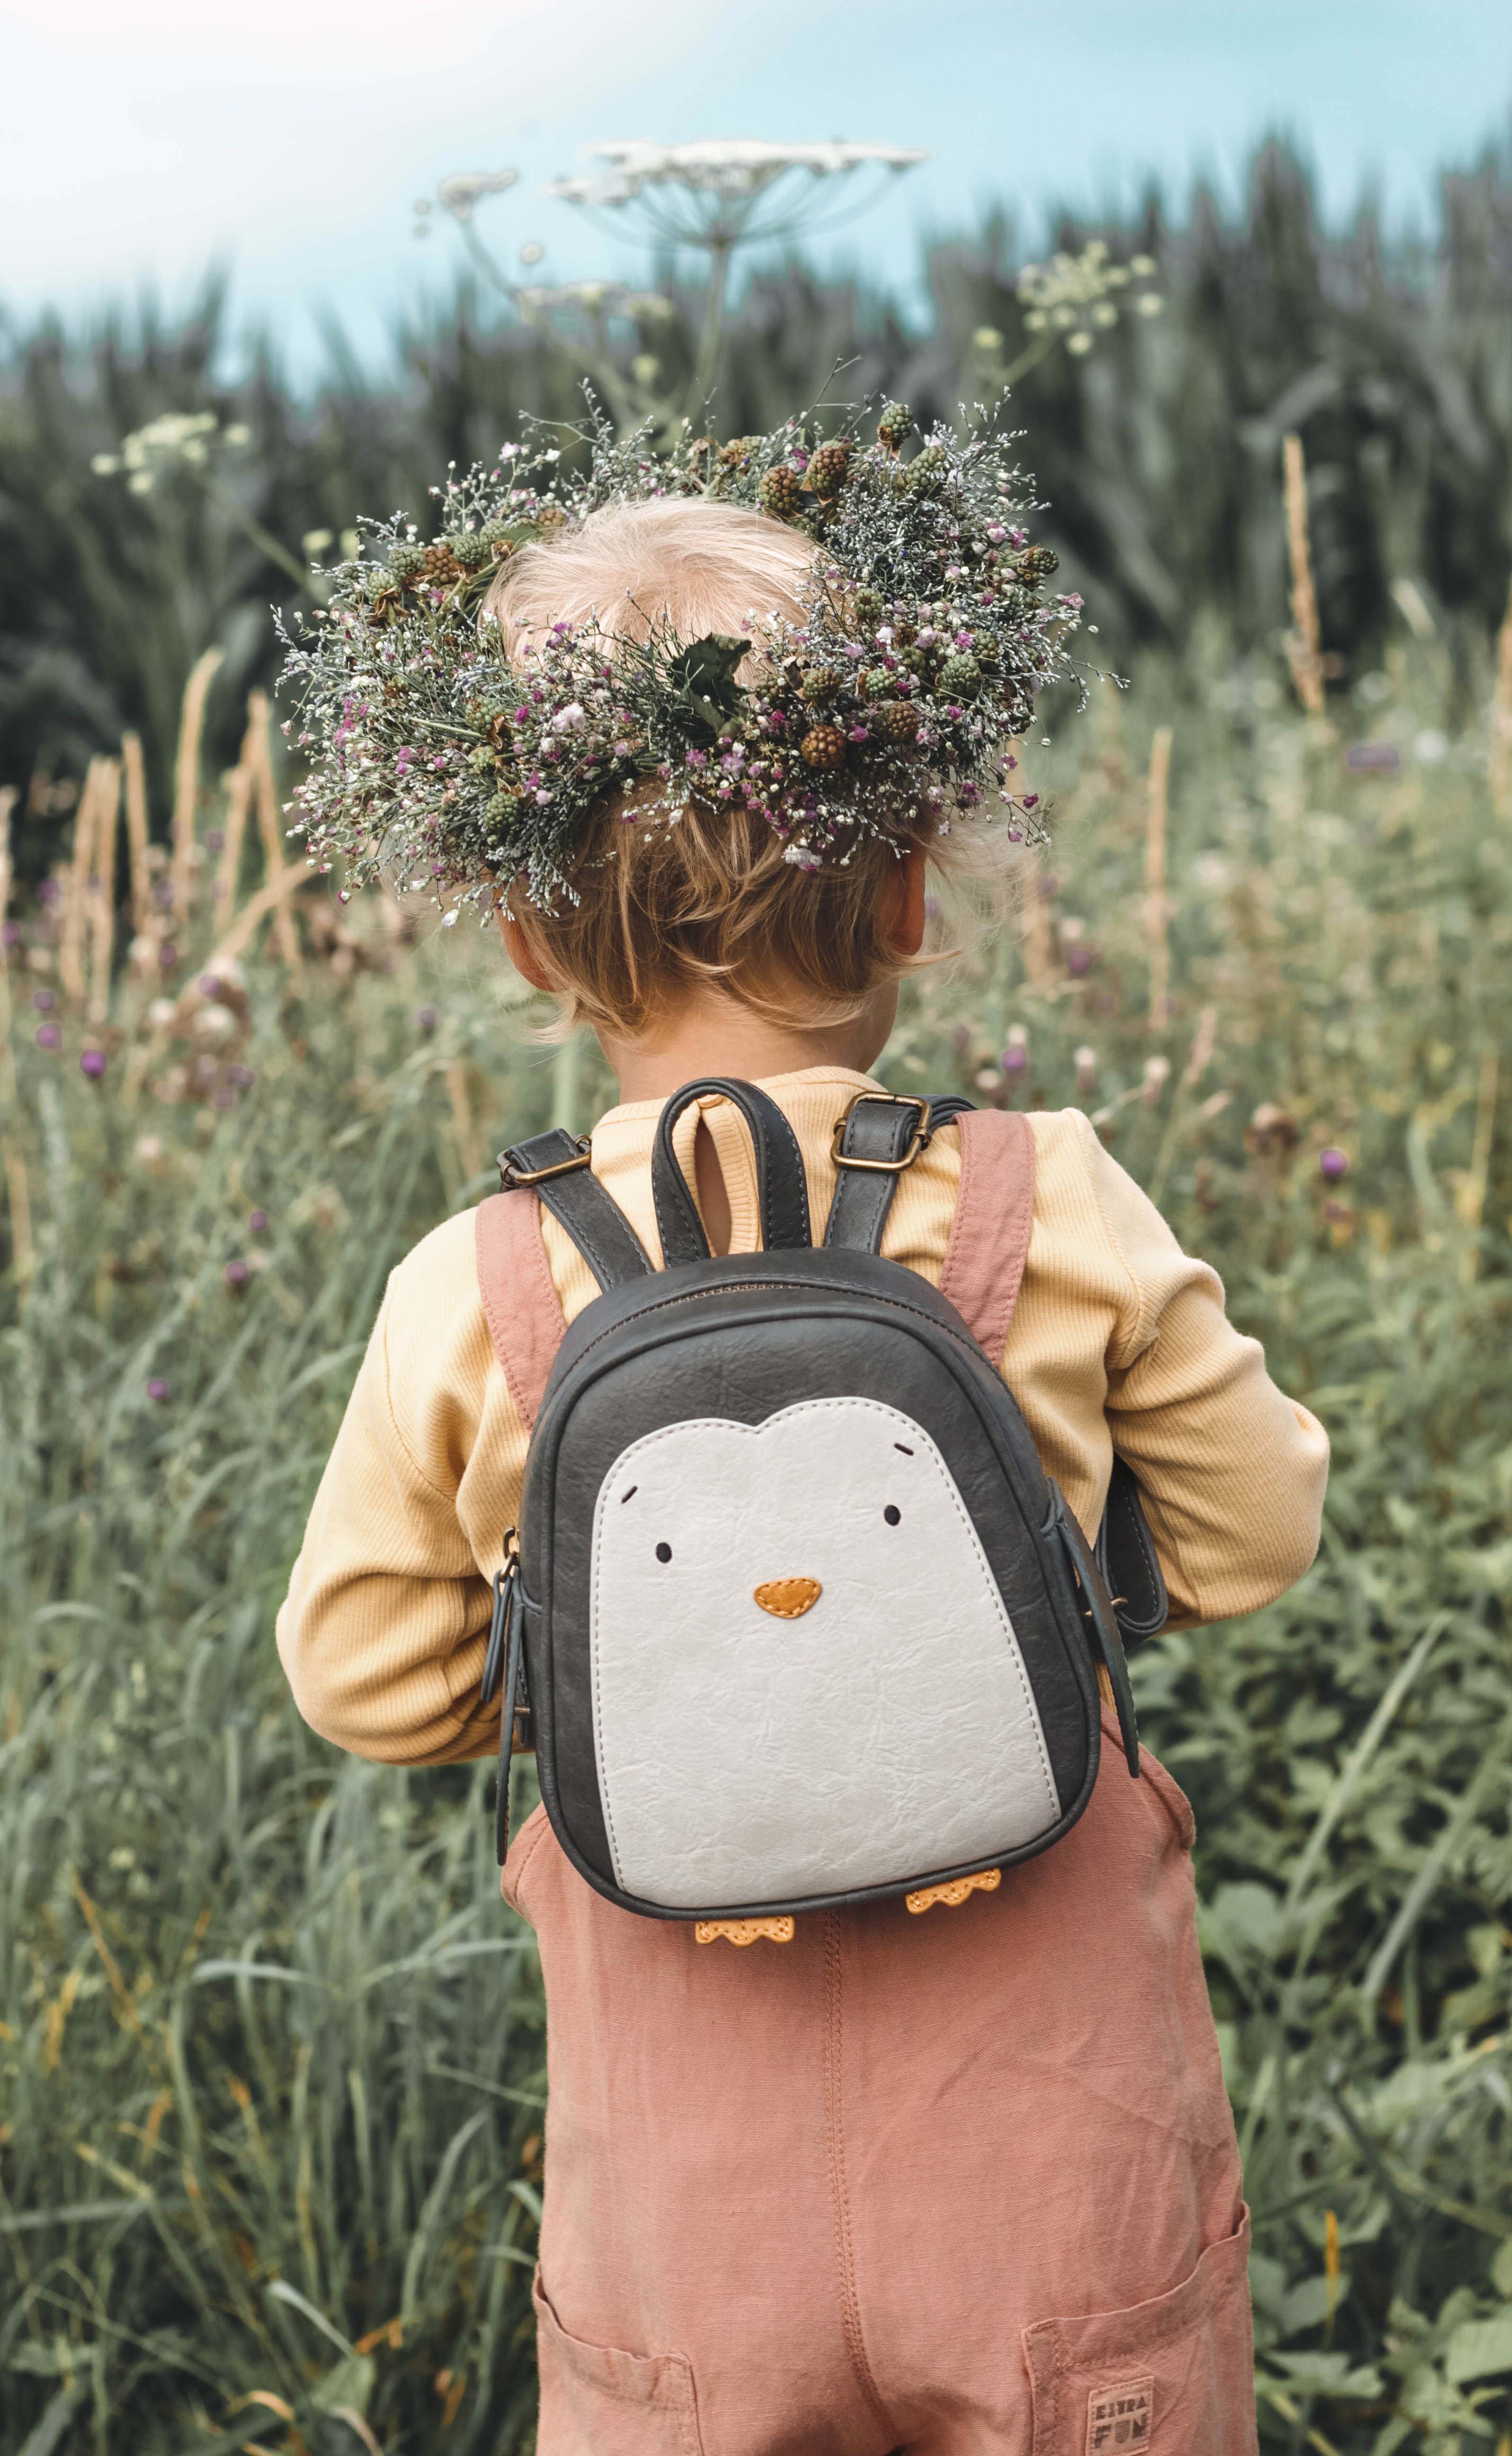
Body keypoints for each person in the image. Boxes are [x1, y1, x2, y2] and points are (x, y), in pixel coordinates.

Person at [278, 447, 1328, 2455]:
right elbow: (1260, 1529)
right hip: (1050, 2173)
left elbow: (359, 1677)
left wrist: (658, 1677)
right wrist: (1017, 1607)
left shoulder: (472, 1282)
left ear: (525, 940)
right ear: (916, 886)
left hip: (689, 2207)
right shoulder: (1055, 1194)